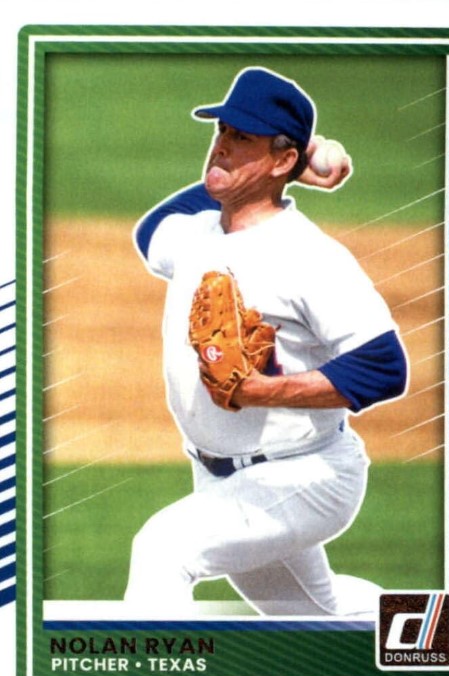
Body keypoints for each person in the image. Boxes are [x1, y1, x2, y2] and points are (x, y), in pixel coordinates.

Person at [123, 67, 408, 617]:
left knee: (163, 550)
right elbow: (152, 228)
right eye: (222, 131)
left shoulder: (309, 256)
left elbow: (383, 367)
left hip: (305, 473)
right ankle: (441, 630)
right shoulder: (198, 233)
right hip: (223, 477)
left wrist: (261, 391)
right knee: (314, 615)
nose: (222, 147)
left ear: (280, 159)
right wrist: (301, 162)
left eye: (242, 138)